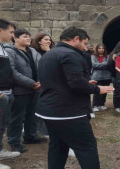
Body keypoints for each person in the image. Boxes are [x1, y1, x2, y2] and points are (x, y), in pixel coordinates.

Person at [35, 27, 114, 169]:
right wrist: (97, 89)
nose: (85, 47)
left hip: (49, 112)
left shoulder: (49, 54)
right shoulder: (71, 55)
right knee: (86, 147)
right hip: (69, 113)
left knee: (58, 146)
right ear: (76, 39)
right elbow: (76, 84)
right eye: (84, 43)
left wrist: (85, 83)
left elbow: (57, 80)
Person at [4, 29, 47, 154]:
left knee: (32, 114)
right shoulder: (9, 51)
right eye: (25, 36)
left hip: (36, 89)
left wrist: (40, 82)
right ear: (15, 38)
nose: (28, 38)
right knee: (17, 117)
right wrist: (31, 83)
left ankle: (30, 136)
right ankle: (14, 142)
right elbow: (11, 72)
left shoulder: (33, 51)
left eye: (29, 36)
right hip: (20, 90)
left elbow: (43, 66)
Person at [0, 18, 20, 169]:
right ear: (0, 30)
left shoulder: (1, 48)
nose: (13, 35)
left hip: (6, 93)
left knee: (2, 125)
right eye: (11, 32)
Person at [31, 33, 55, 136]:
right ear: (39, 41)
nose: (48, 41)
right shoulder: (33, 52)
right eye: (46, 39)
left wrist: (49, 52)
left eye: (49, 39)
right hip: (36, 83)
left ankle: (44, 130)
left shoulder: (51, 51)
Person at [91, 44, 111, 112]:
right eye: (99, 48)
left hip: (106, 77)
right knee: (96, 92)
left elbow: (109, 65)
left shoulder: (108, 56)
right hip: (97, 77)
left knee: (105, 91)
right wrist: (105, 64)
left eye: (102, 48)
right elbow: (94, 65)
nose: (101, 50)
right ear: (97, 49)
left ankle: (102, 104)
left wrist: (100, 65)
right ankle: (95, 105)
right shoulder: (93, 56)